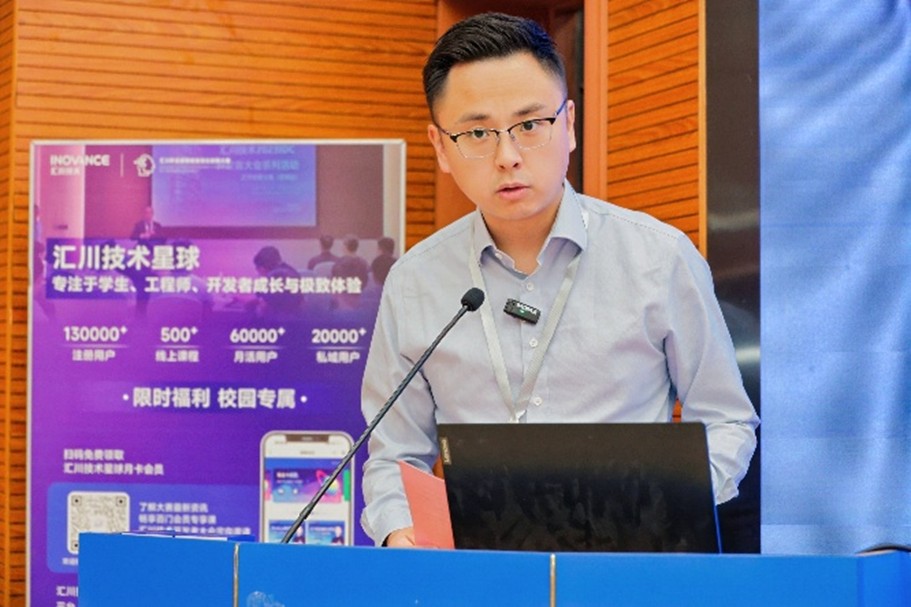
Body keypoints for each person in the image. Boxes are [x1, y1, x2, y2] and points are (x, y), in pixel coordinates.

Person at [359, 12, 759, 548]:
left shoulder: (659, 258)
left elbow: (727, 420)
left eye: (529, 126)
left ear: (569, 124)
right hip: (480, 571)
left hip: (628, 565)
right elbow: (394, 453)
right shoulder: (414, 281)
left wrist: (666, 509)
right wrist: (399, 530)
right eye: (477, 133)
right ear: (441, 146)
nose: (507, 157)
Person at [251, 245, 303, 320]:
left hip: (281, 321)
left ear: (261, 268)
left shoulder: (275, 276)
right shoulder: (290, 270)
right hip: (297, 319)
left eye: (258, 268)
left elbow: (263, 306)